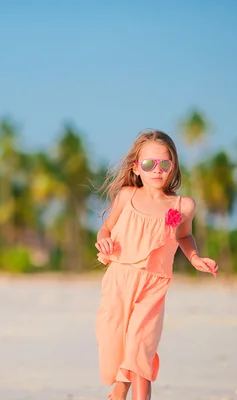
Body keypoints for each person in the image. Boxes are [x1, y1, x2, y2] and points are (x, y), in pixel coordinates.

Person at [94, 129, 218, 400]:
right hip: (119, 280)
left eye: (165, 164)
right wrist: (103, 241)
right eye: (149, 164)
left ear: (173, 166)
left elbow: (182, 235)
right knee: (114, 343)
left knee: (141, 346)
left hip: (154, 284)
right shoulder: (127, 196)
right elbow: (105, 230)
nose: (157, 170)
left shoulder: (180, 206)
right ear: (137, 168)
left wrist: (195, 258)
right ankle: (118, 390)